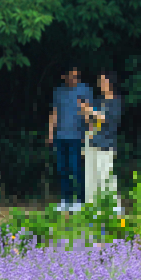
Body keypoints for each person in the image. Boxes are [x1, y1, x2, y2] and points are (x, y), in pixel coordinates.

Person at [46, 66, 93, 209]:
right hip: (60, 136)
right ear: (64, 77)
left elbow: (89, 112)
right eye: (72, 77)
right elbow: (54, 112)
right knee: (62, 168)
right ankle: (65, 201)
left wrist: (88, 133)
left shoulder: (85, 89)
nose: (75, 79)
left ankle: (80, 200)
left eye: (76, 76)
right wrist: (50, 133)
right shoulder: (58, 92)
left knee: (76, 168)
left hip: (77, 136)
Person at [84, 70, 123, 212]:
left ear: (110, 83)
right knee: (91, 179)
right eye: (99, 81)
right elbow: (93, 121)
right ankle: (93, 211)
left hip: (106, 145)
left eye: (102, 81)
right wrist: (88, 119)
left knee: (106, 178)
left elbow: (106, 118)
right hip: (92, 142)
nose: (100, 84)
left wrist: (90, 111)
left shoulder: (116, 101)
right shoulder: (99, 101)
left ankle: (115, 211)